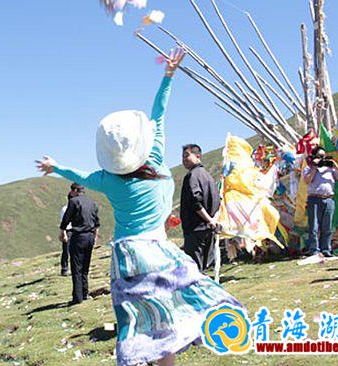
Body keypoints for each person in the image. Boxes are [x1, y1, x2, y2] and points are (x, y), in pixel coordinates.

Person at [37, 49, 242, 366]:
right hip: (157, 248)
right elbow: (159, 111)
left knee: (138, 319)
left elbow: (78, 176)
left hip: (128, 254)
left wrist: (55, 167)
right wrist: (168, 74)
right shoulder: (157, 158)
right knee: (170, 313)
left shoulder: (107, 179)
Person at [180, 144, 221, 274]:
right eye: (182, 157)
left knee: (194, 271)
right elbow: (218, 202)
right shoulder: (208, 176)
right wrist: (213, 221)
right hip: (209, 229)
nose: (184, 159)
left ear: (197, 156)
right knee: (203, 268)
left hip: (196, 228)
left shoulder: (192, 176)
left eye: (187, 155)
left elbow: (195, 201)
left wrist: (209, 219)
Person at [59, 183, 100, 305]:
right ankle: (85, 293)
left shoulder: (74, 202)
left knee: (76, 267)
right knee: (85, 267)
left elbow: (66, 218)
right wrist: (95, 237)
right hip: (90, 236)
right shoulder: (92, 202)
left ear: (75, 191)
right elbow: (97, 222)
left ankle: (78, 297)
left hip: (78, 236)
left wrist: (62, 230)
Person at [302, 146, 338, 257]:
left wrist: (333, 163)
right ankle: (314, 250)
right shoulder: (308, 168)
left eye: (323, 156)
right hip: (314, 199)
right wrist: (314, 167)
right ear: (314, 157)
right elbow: (307, 180)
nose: (322, 158)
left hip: (328, 199)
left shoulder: (329, 169)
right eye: (319, 156)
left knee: (327, 226)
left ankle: (326, 249)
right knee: (314, 226)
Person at [59, 192, 75, 276]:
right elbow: (63, 222)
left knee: (75, 251)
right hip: (68, 230)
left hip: (75, 230)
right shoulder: (65, 209)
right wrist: (64, 233)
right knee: (66, 250)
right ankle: (64, 268)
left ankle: (74, 268)